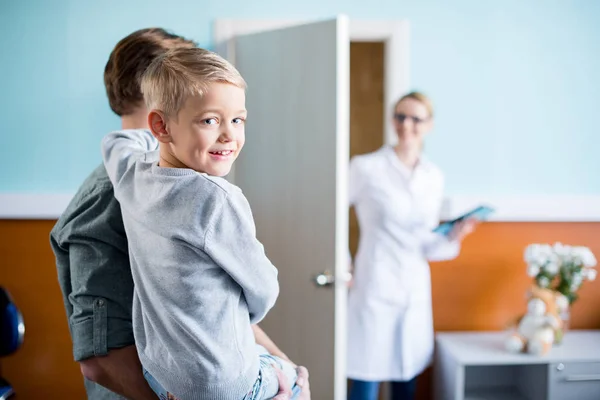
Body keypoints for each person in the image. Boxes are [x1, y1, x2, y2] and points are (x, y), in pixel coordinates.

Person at [50, 28, 310, 400]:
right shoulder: (112, 196)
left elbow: (215, 305)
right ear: (155, 89)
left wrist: (289, 374)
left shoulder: (166, 177)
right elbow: (100, 358)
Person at [346, 92, 477, 400]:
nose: (407, 125)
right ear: (392, 121)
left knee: (407, 382)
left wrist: (454, 236)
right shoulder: (366, 168)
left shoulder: (433, 177)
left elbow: (427, 245)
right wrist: (344, 262)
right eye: (401, 116)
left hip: (414, 290)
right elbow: (331, 214)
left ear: (429, 125)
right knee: (365, 381)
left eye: (416, 118)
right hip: (374, 287)